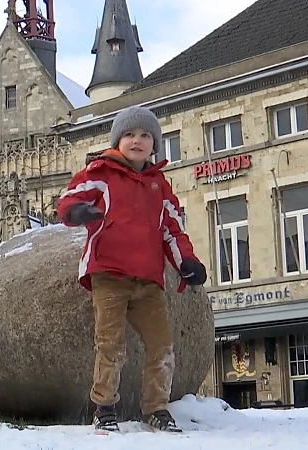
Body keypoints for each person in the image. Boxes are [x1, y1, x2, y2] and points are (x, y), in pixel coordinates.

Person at [56, 106, 207, 433]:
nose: (136, 140)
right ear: (117, 140)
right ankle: (104, 407)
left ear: (154, 144)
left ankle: (155, 408)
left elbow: (173, 229)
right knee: (110, 344)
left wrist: (187, 263)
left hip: (149, 280)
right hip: (109, 274)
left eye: (145, 135)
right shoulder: (101, 173)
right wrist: (76, 211)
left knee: (162, 346)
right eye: (129, 134)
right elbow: (69, 197)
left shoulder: (160, 185)